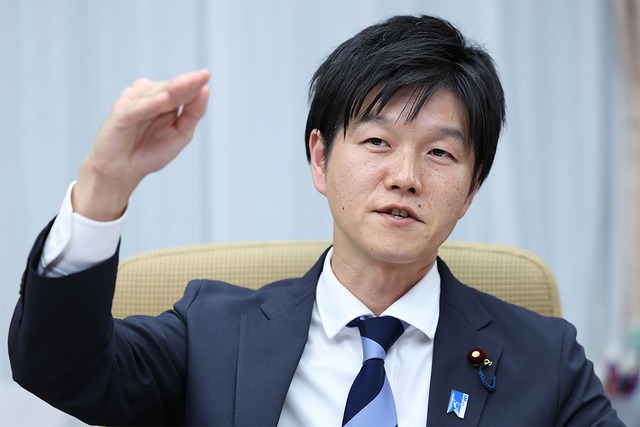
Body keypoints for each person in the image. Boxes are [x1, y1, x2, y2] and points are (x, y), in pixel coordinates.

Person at [8, 14, 623, 426]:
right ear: (320, 159)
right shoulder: (213, 334)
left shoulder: (545, 360)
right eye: (378, 142)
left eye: (440, 153)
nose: (406, 176)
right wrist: (103, 187)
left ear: (472, 188)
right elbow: (60, 369)